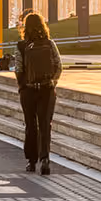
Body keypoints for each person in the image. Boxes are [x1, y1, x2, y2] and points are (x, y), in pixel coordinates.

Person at [15, 12, 62, 175]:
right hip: (47, 90)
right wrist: (52, 82)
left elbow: (19, 69)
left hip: (28, 91)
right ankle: (45, 159)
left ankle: (31, 160)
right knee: (45, 125)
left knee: (30, 125)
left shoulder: (21, 46)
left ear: (25, 27)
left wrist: (23, 86)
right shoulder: (50, 44)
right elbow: (58, 65)